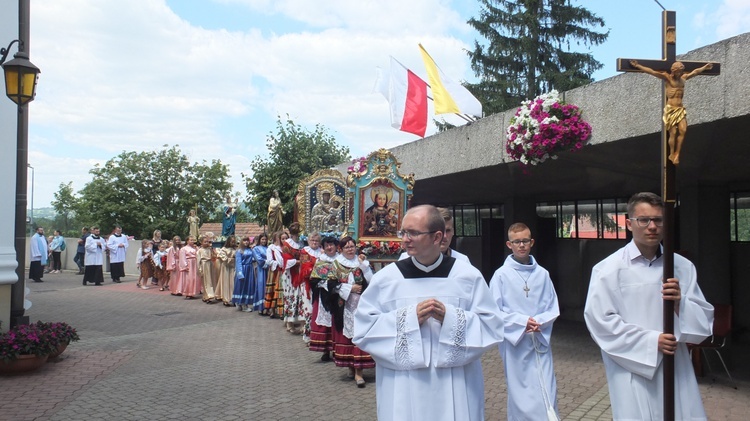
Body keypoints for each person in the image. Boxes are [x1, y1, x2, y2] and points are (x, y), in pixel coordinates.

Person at [353, 205, 504, 420]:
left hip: (456, 383)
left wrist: (452, 318)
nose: (405, 239)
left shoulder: (467, 277)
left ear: (437, 237)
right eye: (403, 232)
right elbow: (363, 329)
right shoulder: (387, 279)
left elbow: (492, 326)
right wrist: (407, 318)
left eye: (413, 233)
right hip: (404, 385)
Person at [584, 192, 714, 420]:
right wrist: (651, 341)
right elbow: (600, 321)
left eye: (658, 220)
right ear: (629, 223)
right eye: (644, 220)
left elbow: (703, 323)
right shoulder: (608, 269)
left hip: (676, 363)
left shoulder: (681, 266)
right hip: (631, 365)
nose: (652, 226)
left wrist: (679, 304)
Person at [488, 222, 560, 421]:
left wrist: (540, 322)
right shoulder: (501, 276)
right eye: (517, 241)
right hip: (515, 345)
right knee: (521, 395)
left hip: (539, 340)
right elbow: (493, 311)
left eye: (525, 241)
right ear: (509, 244)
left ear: (532, 242)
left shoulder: (542, 274)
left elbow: (552, 306)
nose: (521, 245)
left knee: (547, 388)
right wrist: (521, 322)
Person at [629, 60, 714, 165]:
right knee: (673, 133)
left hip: (680, 109)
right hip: (670, 109)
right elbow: (652, 72)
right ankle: (671, 153)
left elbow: (695, 72)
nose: (680, 73)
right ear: (674, 71)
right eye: (679, 71)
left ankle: (677, 154)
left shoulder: (683, 79)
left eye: (681, 71)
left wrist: (705, 67)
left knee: (683, 130)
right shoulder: (667, 78)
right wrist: (638, 66)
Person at [328, 236, 374, 387]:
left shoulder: (360, 262)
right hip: (344, 306)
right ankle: (351, 366)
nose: (350, 249)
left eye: (352, 246)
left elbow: (372, 281)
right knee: (347, 338)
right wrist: (349, 288)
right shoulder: (336, 264)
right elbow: (331, 285)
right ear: (341, 249)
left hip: (361, 306)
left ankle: (359, 373)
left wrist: (365, 267)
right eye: (347, 247)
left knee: (359, 335)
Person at [399, 207, 470, 264]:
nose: (444, 236)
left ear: (453, 232)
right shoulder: (404, 260)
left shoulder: (462, 261)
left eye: (448, 231)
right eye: (438, 232)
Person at [308, 234, 339, 361]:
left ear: (336, 247)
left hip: (337, 294)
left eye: (331, 245)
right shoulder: (320, 260)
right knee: (324, 322)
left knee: (336, 321)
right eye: (327, 245)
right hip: (323, 294)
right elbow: (314, 279)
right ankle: (325, 350)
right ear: (323, 247)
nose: (329, 247)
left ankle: (336, 349)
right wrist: (324, 283)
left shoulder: (340, 260)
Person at [232, 236, 256, 311]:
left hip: (249, 269)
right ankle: (241, 303)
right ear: (241, 242)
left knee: (248, 287)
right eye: (244, 241)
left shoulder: (250, 250)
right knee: (241, 286)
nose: (246, 242)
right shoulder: (239, 251)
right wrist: (240, 273)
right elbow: (238, 262)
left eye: (247, 241)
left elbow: (253, 259)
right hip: (243, 269)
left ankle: (244, 303)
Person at [216, 235, 237, 306]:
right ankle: (226, 299)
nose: (233, 243)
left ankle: (233, 298)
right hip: (226, 267)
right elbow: (223, 258)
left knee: (232, 283)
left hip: (233, 267)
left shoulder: (235, 249)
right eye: (232, 241)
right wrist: (231, 259)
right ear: (228, 241)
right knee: (226, 283)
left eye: (234, 241)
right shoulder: (224, 249)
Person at [252, 234, 269, 313]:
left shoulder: (268, 248)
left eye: (265, 239)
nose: (264, 241)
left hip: (269, 270)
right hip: (261, 270)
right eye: (262, 239)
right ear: (259, 240)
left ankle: (267, 307)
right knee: (261, 286)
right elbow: (259, 259)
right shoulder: (256, 248)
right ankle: (260, 307)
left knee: (268, 287)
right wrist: (268, 262)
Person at [197, 235, 217, 302]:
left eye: (207, 242)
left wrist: (213, 251)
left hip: (210, 264)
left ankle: (210, 295)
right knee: (206, 281)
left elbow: (214, 257)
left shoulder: (210, 249)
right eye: (205, 242)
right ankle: (207, 295)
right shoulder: (199, 251)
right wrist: (200, 270)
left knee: (211, 280)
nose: (207, 243)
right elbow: (198, 261)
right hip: (204, 264)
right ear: (201, 242)